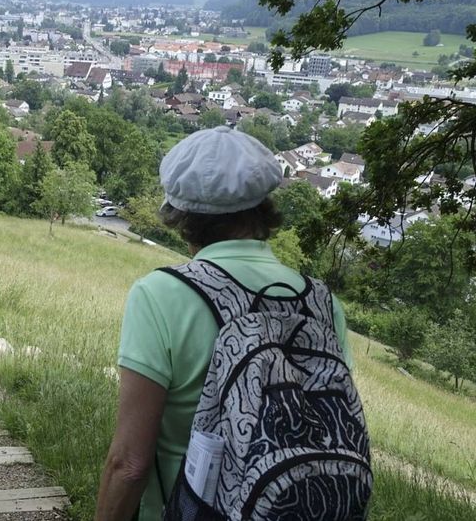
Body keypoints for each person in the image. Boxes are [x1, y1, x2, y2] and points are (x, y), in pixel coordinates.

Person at [95, 126, 356, 521]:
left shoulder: (160, 295)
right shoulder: (322, 302)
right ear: (262, 206)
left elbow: (129, 465)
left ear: (180, 214)